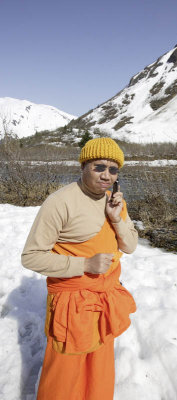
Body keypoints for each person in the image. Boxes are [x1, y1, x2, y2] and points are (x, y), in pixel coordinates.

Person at [21, 137, 138, 400]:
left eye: (113, 169)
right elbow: (31, 257)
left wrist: (117, 218)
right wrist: (85, 264)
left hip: (104, 304)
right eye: (99, 167)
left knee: (98, 375)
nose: (106, 175)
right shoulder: (60, 202)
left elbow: (130, 246)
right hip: (70, 308)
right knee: (64, 379)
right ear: (83, 166)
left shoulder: (115, 202)